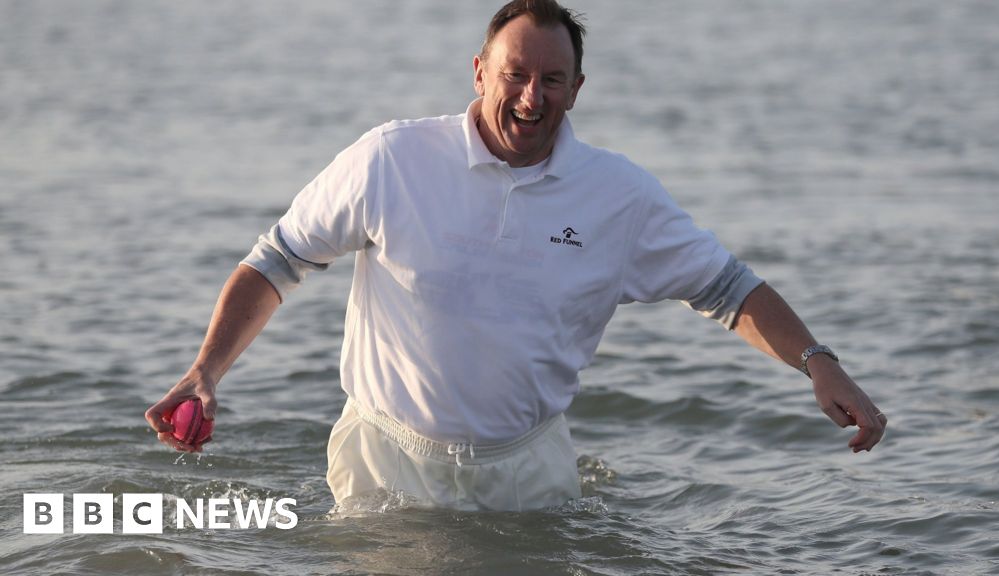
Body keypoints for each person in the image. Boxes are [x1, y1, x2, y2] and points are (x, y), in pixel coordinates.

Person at [145, 0, 886, 511]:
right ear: (479, 72)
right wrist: (207, 371)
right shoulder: (392, 159)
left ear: (577, 89)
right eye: (515, 75)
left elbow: (729, 289)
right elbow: (277, 260)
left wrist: (818, 362)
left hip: (528, 473)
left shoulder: (618, 196)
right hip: (384, 462)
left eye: (552, 80)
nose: (532, 97)